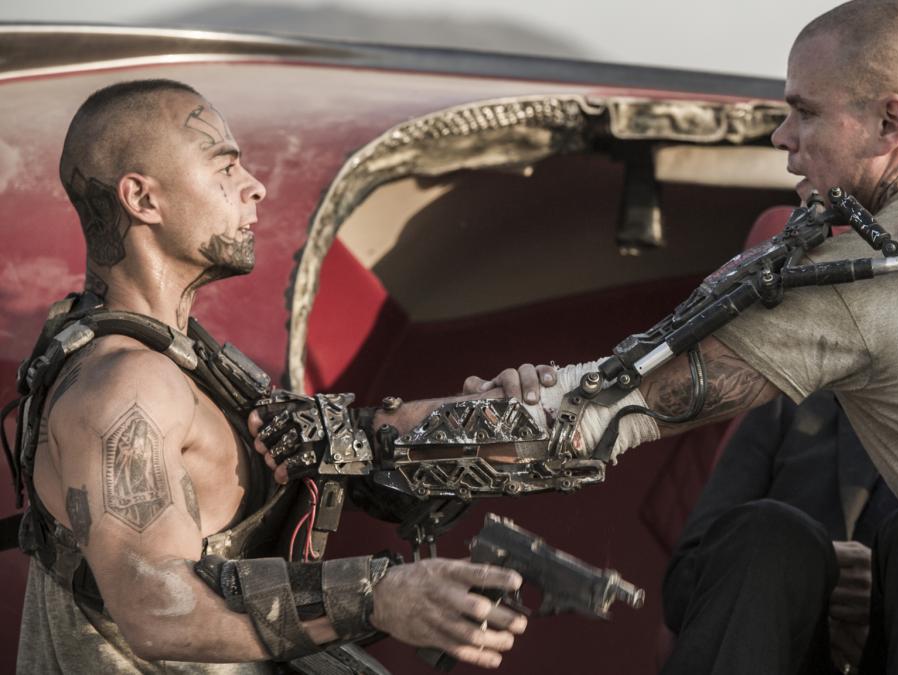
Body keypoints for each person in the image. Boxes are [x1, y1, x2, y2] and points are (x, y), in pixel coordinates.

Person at [407, 1, 898, 672]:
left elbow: (584, 418)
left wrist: (378, 430)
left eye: (806, 112)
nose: (782, 137)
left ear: (891, 121)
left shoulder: (860, 274)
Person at [14, 80, 541, 672]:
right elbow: (157, 608)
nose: (254, 186)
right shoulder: (125, 384)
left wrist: (495, 414)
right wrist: (377, 596)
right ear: (142, 198)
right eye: (225, 167)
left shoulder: (190, 365)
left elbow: (345, 441)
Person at [660, 391, 898, 675]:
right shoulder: (787, 403)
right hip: (759, 648)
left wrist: (887, 603)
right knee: (773, 528)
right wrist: (797, 565)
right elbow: (684, 581)